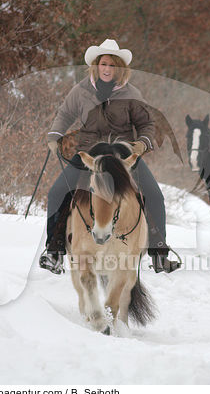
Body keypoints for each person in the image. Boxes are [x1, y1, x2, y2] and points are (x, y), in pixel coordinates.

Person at [39, 39, 180, 274]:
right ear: (96, 65)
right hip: (89, 154)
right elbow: (64, 114)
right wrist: (54, 136)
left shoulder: (132, 94)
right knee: (57, 193)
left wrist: (142, 144)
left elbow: (147, 124)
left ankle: (159, 253)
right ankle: (54, 251)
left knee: (154, 195)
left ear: (120, 69)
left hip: (123, 156)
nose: (107, 69)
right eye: (104, 64)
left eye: (113, 65)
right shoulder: (81, 91)